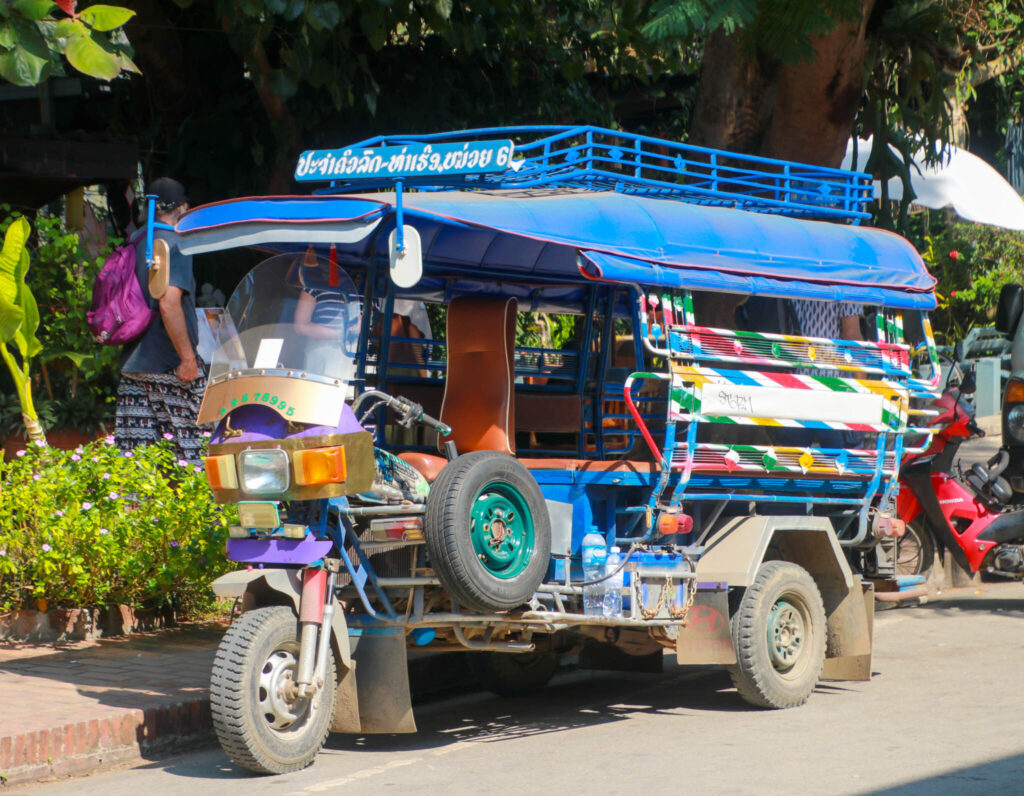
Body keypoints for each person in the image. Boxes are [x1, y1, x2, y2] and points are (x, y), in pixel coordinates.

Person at [114, 178, 207, 465]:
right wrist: (188, 358)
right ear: (183, 208)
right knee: (198, 449)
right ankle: (202, 512)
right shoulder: (175, 242)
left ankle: (137, 512)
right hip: (171, 365)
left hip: (134, 365)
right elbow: (168, 304)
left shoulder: (136, 240)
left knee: (137, 464)